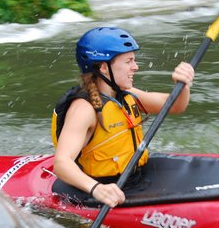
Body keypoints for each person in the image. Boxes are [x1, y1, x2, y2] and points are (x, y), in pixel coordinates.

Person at [51, 27, 194, 208]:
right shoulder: (84, 109)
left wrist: (183, 85)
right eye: (129, 61)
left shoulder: (126, 95)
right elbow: (62, 163)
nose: (136, 67)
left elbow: (175, 105)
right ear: (104, 67)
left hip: (132, 180)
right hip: (98, 191)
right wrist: (97, 189)